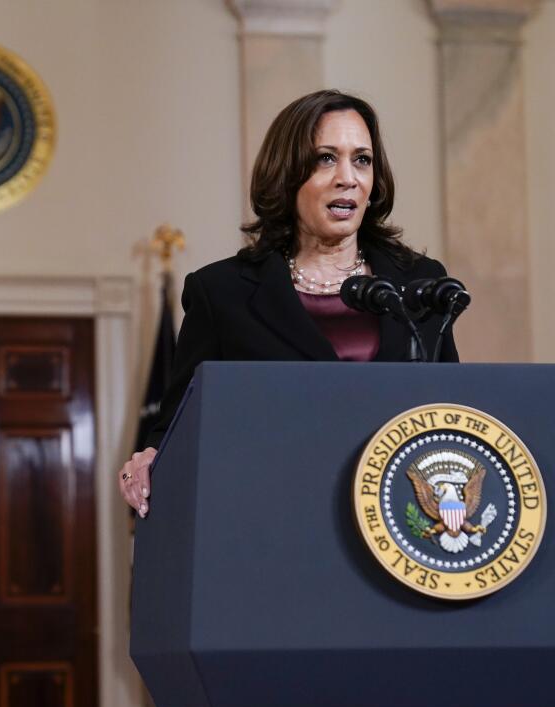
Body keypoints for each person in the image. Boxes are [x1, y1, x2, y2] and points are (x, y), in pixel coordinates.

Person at [119, 90, 459, 517]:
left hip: (402, 518)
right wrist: (149, 456)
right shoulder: (223, 293)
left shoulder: (420, 282)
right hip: (277, 516)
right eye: (325, 159)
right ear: (287, 175)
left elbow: (452, 411)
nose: (348, 177)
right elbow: (177, 425)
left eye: (362, 159)